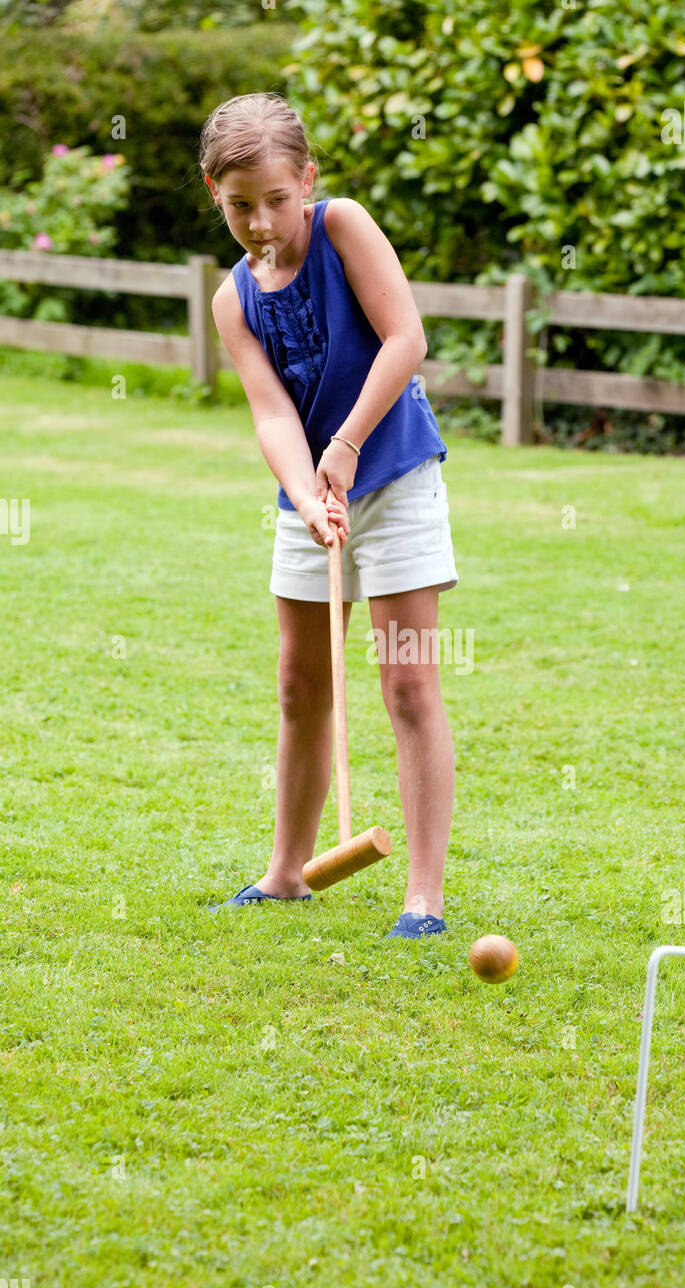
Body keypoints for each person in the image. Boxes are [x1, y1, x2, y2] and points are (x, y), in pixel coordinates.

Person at [200, 92, 458, 939]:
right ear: (214, 195)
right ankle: (286, 874)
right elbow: (273, 413)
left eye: (278, 198)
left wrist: (343, 448)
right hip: (311, 496)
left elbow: (406, 338)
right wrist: (306, 492)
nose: (262, 220)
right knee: (300, 683)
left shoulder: (342, 225)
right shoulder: (232, 299)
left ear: (307, 180)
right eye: (241, 205)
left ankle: (423, 899)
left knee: (408, 678)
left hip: (394, 476)